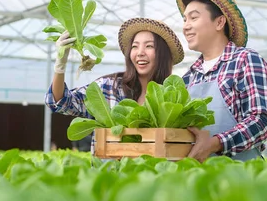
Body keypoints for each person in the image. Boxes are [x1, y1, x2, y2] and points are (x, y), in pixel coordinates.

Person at [174, 0, 267, 162]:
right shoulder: (188, 78)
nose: (185, 26)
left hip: (242, 176)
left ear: (220, 22)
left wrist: (215, 144)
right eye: (184, 19)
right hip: (198, 179)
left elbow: (261, 121)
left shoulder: (246, 61)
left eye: (194, 18)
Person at [44, 18, 185, 143]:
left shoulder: (173, 95)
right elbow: (61, 102)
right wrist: (60, 65)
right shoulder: (109, 87)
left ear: (163, 54)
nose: (140, 52)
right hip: (110, 171)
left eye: (149, 46)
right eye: (135, 46)